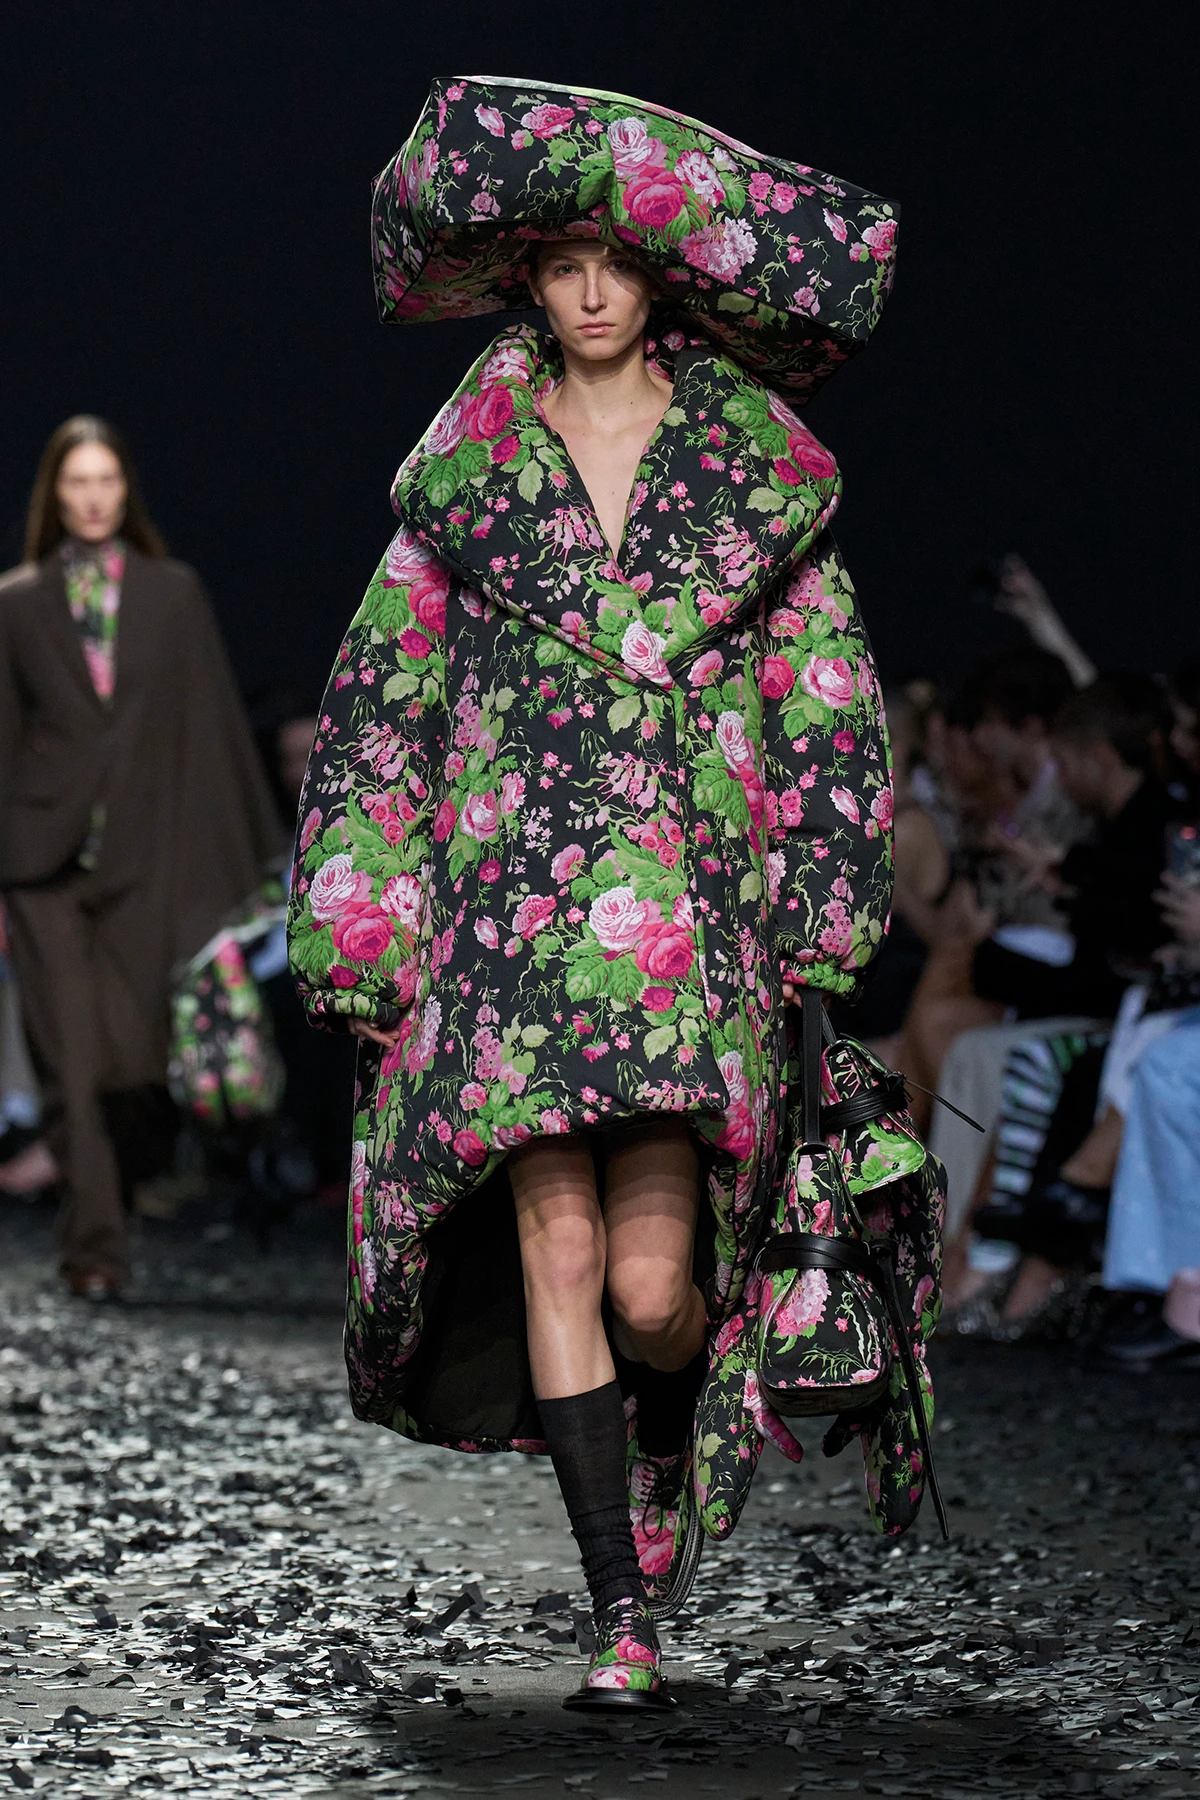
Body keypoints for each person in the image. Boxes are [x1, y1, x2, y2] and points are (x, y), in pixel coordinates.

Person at [290, 81, 896, 1709]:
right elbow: (384, 703)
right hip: (509, 920)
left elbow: (822, 690)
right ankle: (621, 1609)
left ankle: (680, 1424)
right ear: (526, 283)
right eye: (560, 265)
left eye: (615, 262)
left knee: (652, 1289)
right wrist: (361, 912)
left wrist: (827, 885)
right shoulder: (463, 483)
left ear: (660, 275)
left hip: (693, 924)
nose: (591, 292)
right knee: (559, 1254)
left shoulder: (754, 476)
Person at [0, 416, 283, 1298]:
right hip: (41, 864)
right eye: (76, 482)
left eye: (107, 481)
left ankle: (114, 1193)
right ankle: (95, 1252)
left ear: (126, 490)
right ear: (55, 494)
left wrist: (234, 872)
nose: (92, 498)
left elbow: (210, 728)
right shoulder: (17, 602)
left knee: (132, 1066)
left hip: (145, 860)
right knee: (71, 1068)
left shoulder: (173, 594)